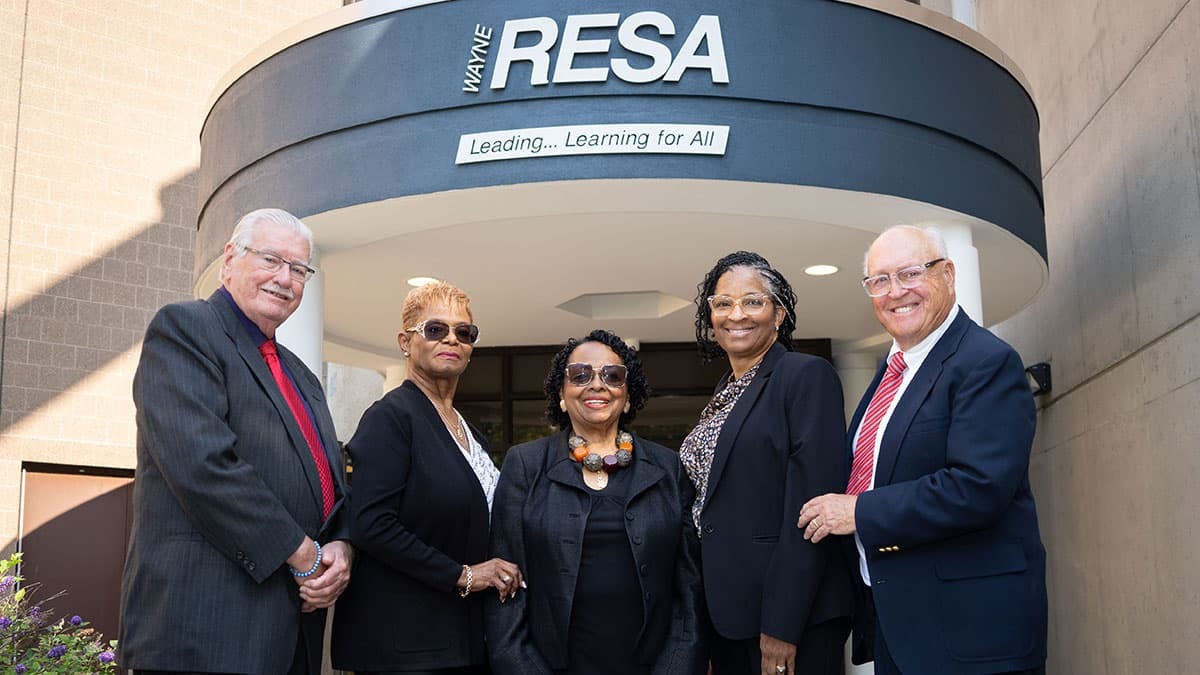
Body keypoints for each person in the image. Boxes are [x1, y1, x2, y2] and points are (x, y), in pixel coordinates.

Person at [797, 224, 1048, 674]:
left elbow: (978, 488)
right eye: (880, 280)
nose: (895, 292)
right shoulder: (892, 370)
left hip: (972, 636)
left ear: (947, 274)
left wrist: (858, 511)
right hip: (903, 630)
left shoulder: (985, 361)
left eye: (910, 273)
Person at [119, 208, 353, 674]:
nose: (284, 279)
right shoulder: (185, 330)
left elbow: (334, 482)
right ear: (230, 258)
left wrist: (341, 547)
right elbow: (203, 465)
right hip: (206, 631)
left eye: (298, 269)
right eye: (271, 259)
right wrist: (304, 553)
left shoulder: (302, 376)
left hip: (293, 633)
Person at [486, 329, 706, 675]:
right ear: (562, 394)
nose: (597, 384)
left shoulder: (668, 468)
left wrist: (676, 667)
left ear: (628, 396)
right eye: (580, 374)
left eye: (612, 375)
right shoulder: (525, 464)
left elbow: (689, 588)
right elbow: (505, 586)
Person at [332, 281, 521, 674]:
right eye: (435, 329)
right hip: (404, 647)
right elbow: (372, 525)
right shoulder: (390, 418)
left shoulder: (471, 432)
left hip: (460, 640)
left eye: (464, 332)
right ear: (405, 341)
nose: (451, 339)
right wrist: (463, 575)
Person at [679, 251, 853, 675]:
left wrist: (782, 625)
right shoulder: (726, 392)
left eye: (753, 301)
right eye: (723, 303)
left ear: (779, 314)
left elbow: (812, 511)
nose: (736, 314)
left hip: (789, 618)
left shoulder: (804, 376)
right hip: (729, 614)